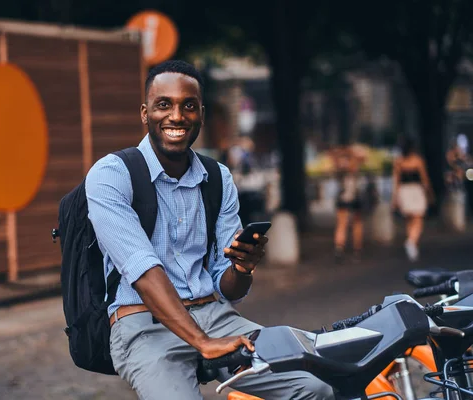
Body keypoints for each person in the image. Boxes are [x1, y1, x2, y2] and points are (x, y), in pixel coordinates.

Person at [85, 60, 334, 400]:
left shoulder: (217, 178)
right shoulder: (112, 174)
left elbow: (228, 288)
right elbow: (142, 268)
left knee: (316, 387)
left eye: (188, 106)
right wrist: (202, 341)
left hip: (214, 315)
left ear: (201, 113)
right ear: (145, 113)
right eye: (164, 105)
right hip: (143, 326)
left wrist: (242, 268)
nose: (177, 116)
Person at [391, 138, 434, 261]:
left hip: (404, 191)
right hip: (416, 190)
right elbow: (425, 179)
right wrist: (429, 193)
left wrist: (395, 198)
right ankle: (411, 241)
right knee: (418, 217)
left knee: (410, 219)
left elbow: (396, 181)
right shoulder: (418, 160)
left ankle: (411, 242)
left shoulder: (399, 162)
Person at [329, 144, 367, 263]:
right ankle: (357, 249)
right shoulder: (354, 163)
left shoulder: (338, 164)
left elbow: (331, 156)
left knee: (341, 223)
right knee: (357, 223)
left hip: (343, 196)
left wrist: (341, 152)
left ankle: (339, 248)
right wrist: (351, 152)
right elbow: (363, 157)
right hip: (354, 195)